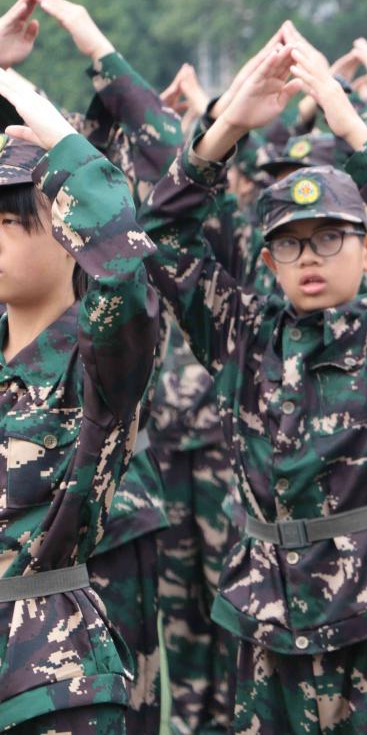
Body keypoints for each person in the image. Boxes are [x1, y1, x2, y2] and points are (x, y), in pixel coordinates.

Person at [140, 39, 367, 733]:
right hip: (262, 614)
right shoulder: (241, 333)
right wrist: (225, 127)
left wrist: (351, 126)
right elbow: (162, 237)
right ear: (269, 258)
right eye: (289, 242)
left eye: (329, 237)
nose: (309, 256)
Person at [0, 66, 159, 732]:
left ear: (70, 236)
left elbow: (123, 268)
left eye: (10, 220)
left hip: (51, 681)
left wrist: (38, 113)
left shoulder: (97, 361)